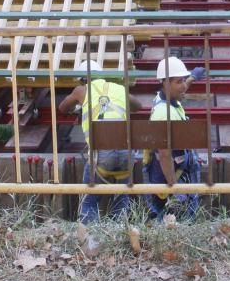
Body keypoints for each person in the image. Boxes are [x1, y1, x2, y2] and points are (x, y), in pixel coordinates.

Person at [58, 60, 143, 223]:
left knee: (89, 202)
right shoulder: (119, 88)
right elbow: (137, 105)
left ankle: (91, 239)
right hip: (126, 152)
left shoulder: (80, 90)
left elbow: (62, 108)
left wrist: (79, 105)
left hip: (101, 155)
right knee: (121, 200)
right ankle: (118, 236)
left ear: (82, 79)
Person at [143, 57, 202, 219]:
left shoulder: (165, 99)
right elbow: (164, 153)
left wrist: (193, 78)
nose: (184, 86)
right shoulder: (164, 114)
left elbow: (181, 88)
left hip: (174, 171)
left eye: (184, 80)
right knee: (175, 221)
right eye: (179, 82)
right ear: (165, 83)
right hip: (169, 177)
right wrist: (173, 187)